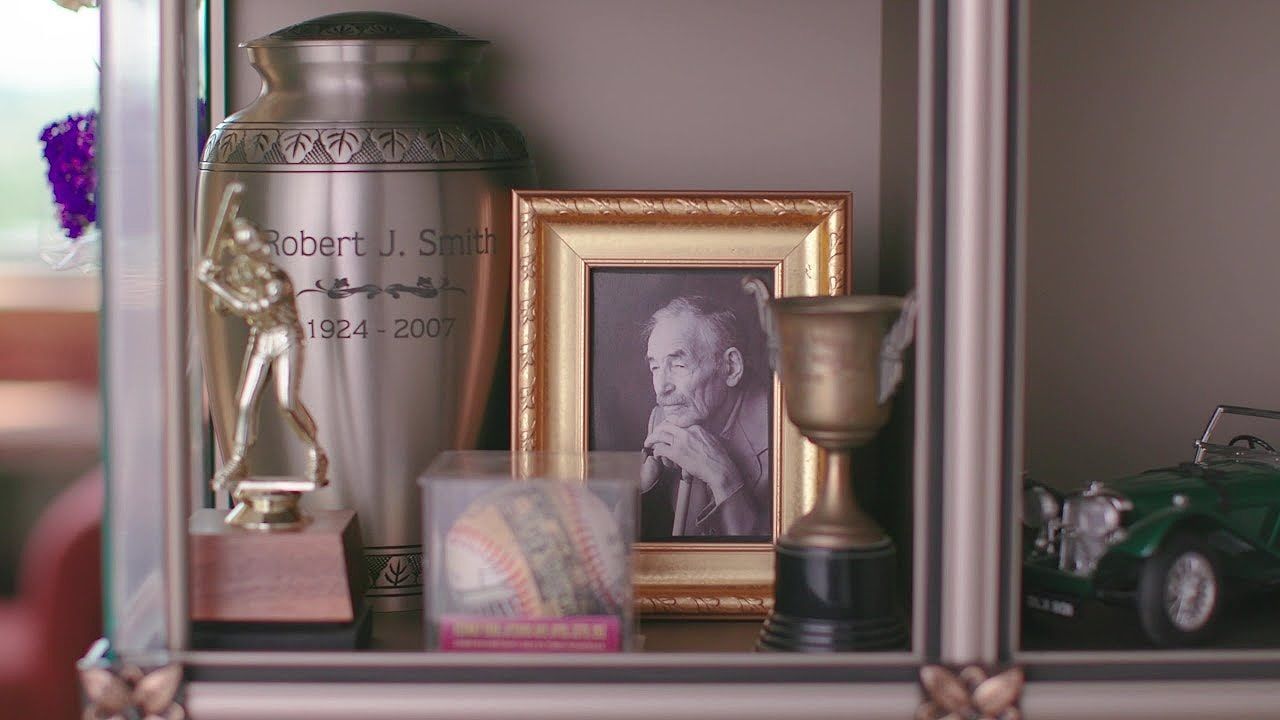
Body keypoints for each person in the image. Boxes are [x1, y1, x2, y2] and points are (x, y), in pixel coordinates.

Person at [197, 216, 328, 496]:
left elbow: (253, 307)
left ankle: (315, 452)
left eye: (254, 239)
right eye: (246, 242)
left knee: (287, 402)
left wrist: (214, 284)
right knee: (245, 402)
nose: (255, 246)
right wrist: (215, 278)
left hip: (285, 336)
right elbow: (222, 309)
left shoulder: (276, 278)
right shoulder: (242, 274)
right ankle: (239, 460)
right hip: (261, 339)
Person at [640, 295, 769, 539]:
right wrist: (644, 489)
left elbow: (774, 564)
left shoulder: (785, 436)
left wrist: (724, 479)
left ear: (730, 368)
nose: (661, 387)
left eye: (678, 366)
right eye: (655, 367)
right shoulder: (662, 418)